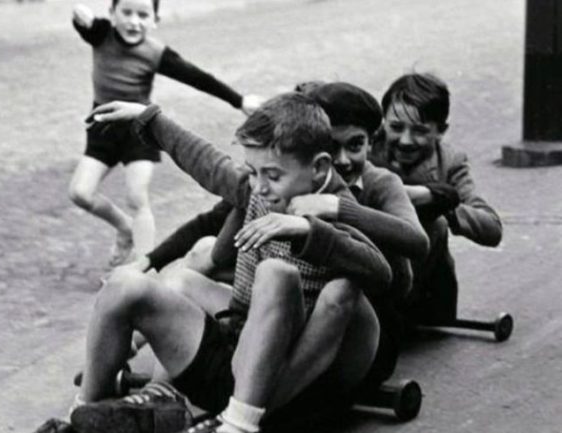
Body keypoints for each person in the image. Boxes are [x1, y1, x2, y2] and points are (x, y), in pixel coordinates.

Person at [69, 93, 392, 433]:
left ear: (319, 168)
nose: (260, 187)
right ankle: (83, 411)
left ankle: (238, 424)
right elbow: (206, 162)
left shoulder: (335, 207)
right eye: (253, 173)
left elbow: (382, 273)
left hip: (295, 380)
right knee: (127, 284)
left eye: (273, 175)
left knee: (276, 273)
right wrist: (149, 118)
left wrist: (310, 230)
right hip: (238, 352)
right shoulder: (258, 188)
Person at [130, 81, 430, 391]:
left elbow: (414, 247)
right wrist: (152, 258)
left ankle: (260, 397)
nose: (342, 159)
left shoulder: (377, 183)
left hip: (357, 324)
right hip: (294, 310)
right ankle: (146, 359)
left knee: (336, 288)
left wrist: (338, 208)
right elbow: (213, 205)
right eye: (332, 147)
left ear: (371, 143)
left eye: (354, 145)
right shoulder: (279, 180)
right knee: (204, 250)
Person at [68, 0, 261, 266]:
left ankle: (141, 269)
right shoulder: (101, 34)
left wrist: (238, 100)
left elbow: (196, 77)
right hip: (102, 127)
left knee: (137, 197)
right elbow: (86, 25)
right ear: (112, 13)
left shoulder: (155, 53)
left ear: (155, 20)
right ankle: (125, 228)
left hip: (138, 129)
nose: (134, 21)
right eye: (126, 12)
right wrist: (80, 19)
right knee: (80, 193)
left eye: (143, 15)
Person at [370, 72, 502, 325]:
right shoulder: (364, 146)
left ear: (441, 131)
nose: (406, 141)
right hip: (373, 267)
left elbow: (492, 229)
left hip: (421, 289)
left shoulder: (450, 162)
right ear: (383, 121)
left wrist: (438, 203)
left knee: (436, 223)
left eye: (420, 131)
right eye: (396, 127)